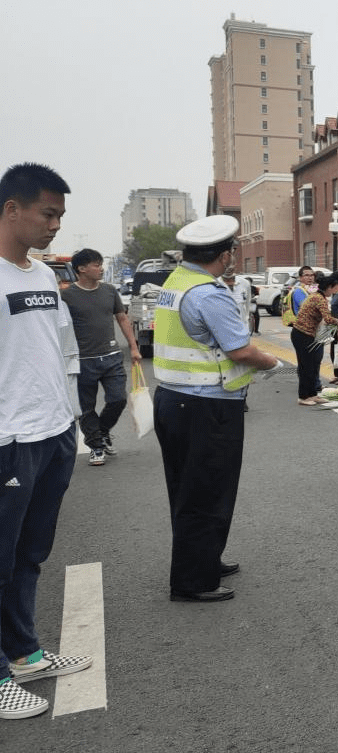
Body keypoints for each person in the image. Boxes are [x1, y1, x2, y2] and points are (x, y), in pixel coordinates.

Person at [0, 163, 93, 720]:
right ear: (11, 209)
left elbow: (59, 352)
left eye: (60, 214)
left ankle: (24, 653)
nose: (56, 225)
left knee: (30, 553)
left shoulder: (40, 277)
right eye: (48, 213)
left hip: (52, 434)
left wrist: (71, 421)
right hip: (7, 440)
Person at [152, 214, 281, 603]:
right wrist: (274, 364)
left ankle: (204, 557)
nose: (234, 256)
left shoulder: (176, 282)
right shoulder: (210, 292)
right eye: (233, 250)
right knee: (207, 490)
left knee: (188, 488)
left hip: (174, 401)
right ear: (224, 255)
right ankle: (193, 581)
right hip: (205, 405)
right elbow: (240, 349)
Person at [61, 247, 142, 465]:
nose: (101, 268)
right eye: (96, 265)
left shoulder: (108, 291)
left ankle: (102, 431)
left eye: (100, 264)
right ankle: (96, 446)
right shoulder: (66, 296)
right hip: (82, 360)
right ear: (81, 268)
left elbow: (122, 319)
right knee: (86, 408)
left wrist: (133, 347)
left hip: (112, 356)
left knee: (118, 399)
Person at [291, 274, 338, 405]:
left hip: (308, 335)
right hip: (302, 334)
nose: (334, 291)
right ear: (329, 287)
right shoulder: (319, 298)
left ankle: (313, 394)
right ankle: (303, 397)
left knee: (313, 365)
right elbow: (327, 318)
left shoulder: (316, 295)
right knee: (306, 367)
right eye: (333, 288)